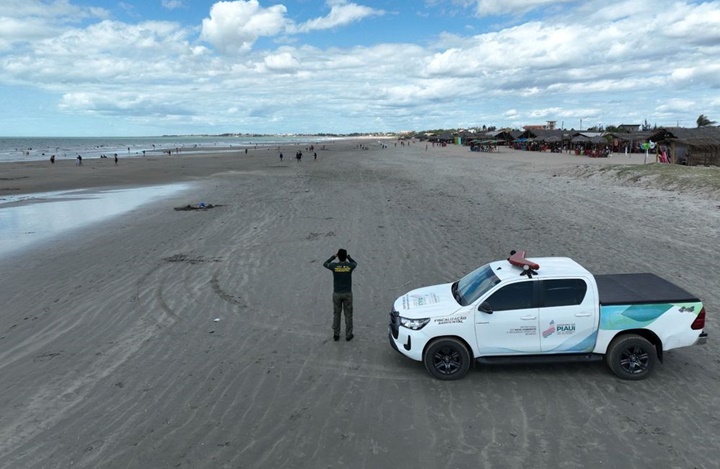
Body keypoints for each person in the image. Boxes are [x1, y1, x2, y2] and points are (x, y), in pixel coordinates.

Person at [323, 249, 358, 341]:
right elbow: (355, 263)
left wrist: (333, 256)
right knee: (348, 315)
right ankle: (348, 334)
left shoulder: (334, 266)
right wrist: (349, 258)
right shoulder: (350, 266)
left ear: (338, 256)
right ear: (345, 256)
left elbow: (325, 263)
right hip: (347, 293)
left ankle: (336, 334)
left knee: (337, 314)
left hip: (337, 293)